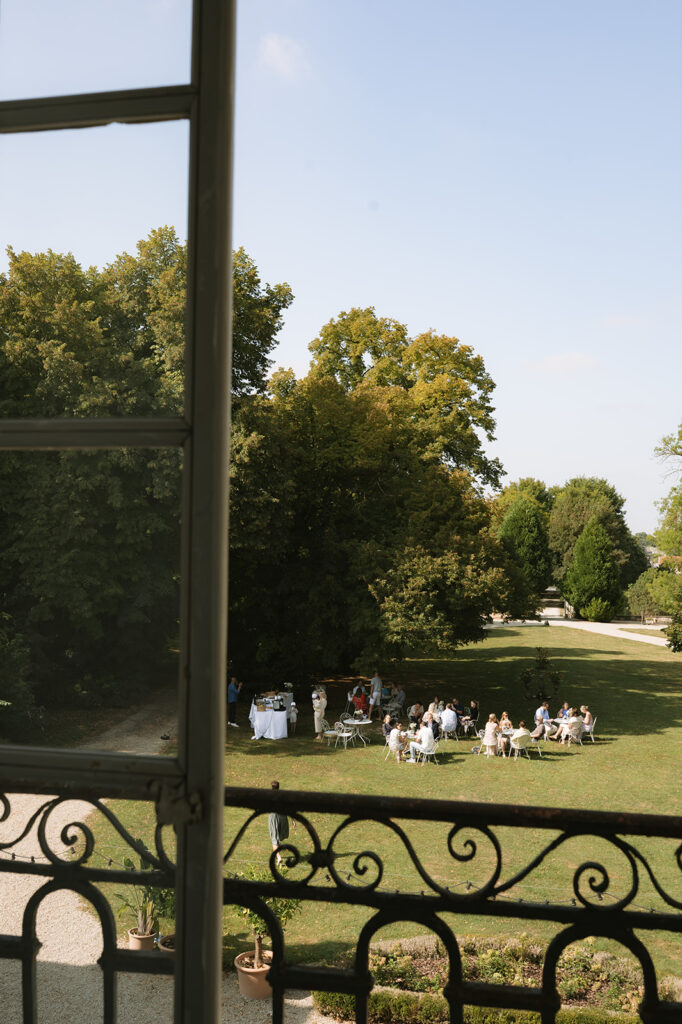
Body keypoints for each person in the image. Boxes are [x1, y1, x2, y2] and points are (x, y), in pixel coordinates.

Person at [268, 780, 296, 865]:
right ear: (278, 787)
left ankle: (278, 857)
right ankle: (278, 847)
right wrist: (293, 820)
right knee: (279, 835)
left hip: (273, 816)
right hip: (283, 815)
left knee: (274, 837)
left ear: (271, 787)